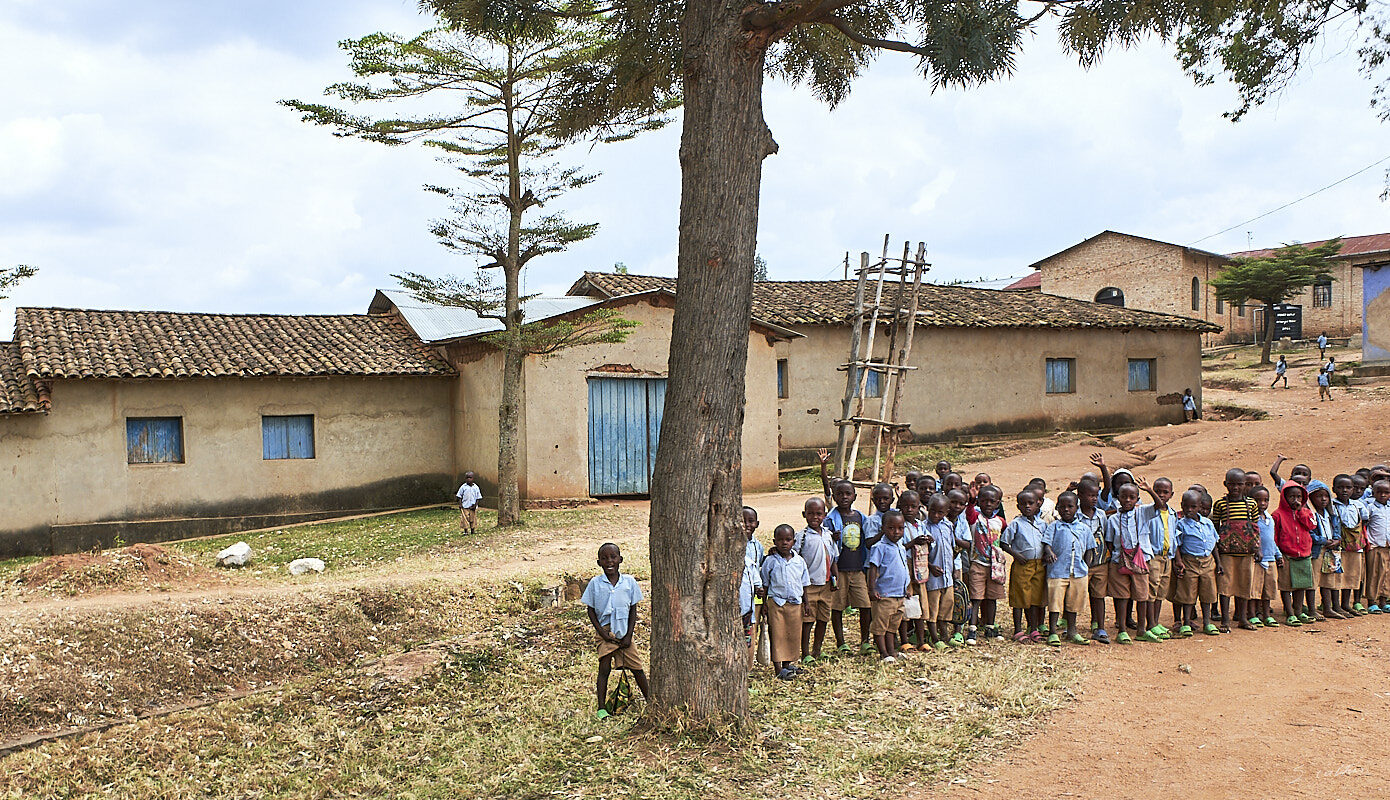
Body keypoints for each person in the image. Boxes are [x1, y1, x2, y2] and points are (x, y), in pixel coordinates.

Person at [582, 543, 650, 717]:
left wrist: (629, 635)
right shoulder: (595, 584)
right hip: (605, 632)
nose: (609, 561)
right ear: (599, 562)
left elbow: (633, 609)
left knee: (637, 668)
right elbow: (590, 610)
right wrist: (602, 633)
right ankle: (601, 708)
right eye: (604, 558)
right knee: (604, 668)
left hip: (624, 631)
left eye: (613, 557)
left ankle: (651, 702)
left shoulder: (629, 582)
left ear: (620, 559)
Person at [823, 477, 875, 656]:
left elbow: (867, 541)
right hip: (840, 570)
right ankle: (841, 642)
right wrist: (833, 538)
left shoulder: (861, 517)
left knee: (865, 605)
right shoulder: (830, 519)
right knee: (837, 607)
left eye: (848, 493)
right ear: (835, 496)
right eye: (840, 494)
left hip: (858, 569)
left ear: (855, 496)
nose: (844, 497)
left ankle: (865, 640)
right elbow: (824, 541)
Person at [1211, 468, 1262, 632]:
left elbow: (1255, 527)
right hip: (1226, 553)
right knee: (1225, 586)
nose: (1235, 488)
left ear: (1244, 485)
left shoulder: (1251, 504)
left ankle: (1242, 618)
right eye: (1231, 484)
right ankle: (1225, 620)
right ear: (1225, 484)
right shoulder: (1220, 504)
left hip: (1246, 552)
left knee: (1244, 584)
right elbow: (1214, 528)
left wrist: (1258, 549)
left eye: (1239, 484)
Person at [1042, 491, 1094, 645]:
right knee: (1055, 602)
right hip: (1058, 571)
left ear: (1076, 508)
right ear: (1057, 508)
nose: (1066, 509)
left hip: (1078, 572)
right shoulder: (1054, 526)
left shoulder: (1084, 528)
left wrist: (1086, 565)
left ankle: (1072, 631)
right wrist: (1049, 552)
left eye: (1070, 506)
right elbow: (1046, 544)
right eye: (1062, 507)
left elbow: (1090, 548)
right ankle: (1052, 632)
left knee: (1073, 603)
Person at [760, 525, 811, 680]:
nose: (784, 543)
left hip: (795, 604)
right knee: (777, 635)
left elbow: (804, 583)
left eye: (788, 540)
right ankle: (778, 668)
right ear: (774, 541)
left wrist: (806, 603)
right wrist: (764, 604)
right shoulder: (770, 561)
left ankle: (788, 664)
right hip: (776, 603)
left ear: (793, 541)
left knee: (792, 634)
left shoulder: (799, 561)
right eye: (780, 540)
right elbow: (765, 584)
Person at [1106, 483, 1153, 643]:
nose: (1127, 500)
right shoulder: (1112, 519)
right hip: (1118, 562)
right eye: (1123, 497)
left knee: (1141, 596)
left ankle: (1141, 629)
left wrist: (1150, 490)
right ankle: (1122, 630)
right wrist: (1119, 555)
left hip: (1140, 561)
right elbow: (1109, 542)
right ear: (1117, 498)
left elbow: (1160, 506)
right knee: (1122, 596)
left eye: (1132, 497)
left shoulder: (1142, 513)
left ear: (1137, 499)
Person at [794, 497, 837, 662]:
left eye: (819, 514)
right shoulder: (801, 536)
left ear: (825, 515)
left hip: (826, 585)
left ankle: (817, 650)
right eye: (810, 514)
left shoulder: (828, 535)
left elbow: (833, 558)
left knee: (823, 618)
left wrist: (835, 578)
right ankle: (805, 653)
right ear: (804, 514)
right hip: (809, 586)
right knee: (807, 620)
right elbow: (795, 559)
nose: (815, 517)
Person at [1173, 489, 1222, 636]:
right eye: (1186, 506)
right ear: (1181, 505)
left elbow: (1214, 544)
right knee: (1188, 593)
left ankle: (1207, 622)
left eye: (1193, 507)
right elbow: (1177, 545)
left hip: (1208, 562)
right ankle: (1186, 622)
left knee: (1208, 593)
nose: (1189, 510)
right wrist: (1179, 562)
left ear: (1200, 506)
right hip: (1190, 562)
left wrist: (1218, 563)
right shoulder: (1181, 524)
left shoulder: (1208, 523)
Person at [1001, 489, 1047, 642]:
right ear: (1018, 506)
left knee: (1035, 598)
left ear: (1038, 504)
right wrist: (1016, 555)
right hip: (1022, 564)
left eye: (1031, 503)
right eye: (1023, 504)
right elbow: (1004, 542)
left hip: (1039, 565)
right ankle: (1018, 629)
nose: (1027, 506)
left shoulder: (1043, 524)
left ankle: (1033, 628)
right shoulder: (1016, 524)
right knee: (1019, 597)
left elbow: (1046, 542)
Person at [866, 510, 912, 663]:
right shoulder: (879, 547)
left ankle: (892, 651)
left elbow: (903, 568)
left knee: (892, 626)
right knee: (880, 626)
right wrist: (871, 590)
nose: (896, 532)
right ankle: (884, 653)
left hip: (899, 595)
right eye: (891, 528)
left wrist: (907, 588)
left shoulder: (901, 546)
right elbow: (873, 569)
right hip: (884, 595)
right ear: (883, 528)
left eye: (900, 528)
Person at [965, 485, 1008, 642]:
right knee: (976, 597)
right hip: (978, 563)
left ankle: (990, 627)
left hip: (995, 566)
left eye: (992, 501)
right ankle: (972, 629)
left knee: (992, 597)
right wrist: (971, 501)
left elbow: (1004, 538)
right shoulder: (976, 518)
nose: (988, 504)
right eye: (984, 501)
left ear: (997, 503)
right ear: (979, 502)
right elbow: (969, 515)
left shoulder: (1000, 522)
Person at [1136, 477, 1177, 640]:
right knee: (1151, 591)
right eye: (1157, 491)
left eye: (1165, 492)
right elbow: (1157, 504)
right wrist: (1149, 492)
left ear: (1171, 494)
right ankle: (1150, 624)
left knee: (1161, 591)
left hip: (1167, 557)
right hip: (1153, 557)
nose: (1161, 495)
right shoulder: (1148, 511)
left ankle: (1156, 621)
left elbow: (1174, 535)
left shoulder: (1172, 513)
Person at [918, 494, 958, 651]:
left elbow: (952, 548)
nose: (935, 515)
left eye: (940, 512)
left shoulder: (948, 525)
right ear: (927, 508)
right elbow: (919, 554)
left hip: (947, 576)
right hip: (932, 576)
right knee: (932, 608)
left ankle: (945, 635)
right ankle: (934, 638)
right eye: (932, 511)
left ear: (946, 512)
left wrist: (953, 570)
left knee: (946, 607)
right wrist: (930, 566)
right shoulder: (923, 527)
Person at [1273, 481, 1315, 626]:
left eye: (1299, 497)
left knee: (1301, 585)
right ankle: (1289, 613)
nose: (1295, 500)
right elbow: (1275, 536)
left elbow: (1311, 525)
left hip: (1304, 554)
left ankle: (1298, 611)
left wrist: (1301, 511)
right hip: (1286, 555)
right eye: (1291, 496)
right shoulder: (1277, 515)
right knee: (1286, 585)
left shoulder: (1306, 513)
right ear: (1284, 497)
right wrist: (1277, 554)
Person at [1076, 478, 1112, 643]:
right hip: (1080, 563)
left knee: (1099, 595)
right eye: (1090, 495)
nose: (1094, 499)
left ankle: (1099, 626)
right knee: (1077, 594)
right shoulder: (1075, 515)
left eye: (1096, 495)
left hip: (1100, 563)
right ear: (1080, 495)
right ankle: (1071, 626)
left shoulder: (1101, 515)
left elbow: (1104, 535)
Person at [1332, 475, 1369, 616]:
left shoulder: (1357, 505)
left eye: (1348, 487)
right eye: (1340, 487)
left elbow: (1364, 520)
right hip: (1338, 547)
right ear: (1334, 489)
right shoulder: (1332, 505)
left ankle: (1345, 604)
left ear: (1353, 489)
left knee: (1350, 576)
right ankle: (1335, 605)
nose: (1344, 490)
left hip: (1355, 547)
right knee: (1336, 577)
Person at [1308, 480, 1343, 619]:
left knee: (1328, 580)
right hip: (1317, 551)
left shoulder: (1331, 514)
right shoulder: (1311, 514)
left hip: (1330, 551)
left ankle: (1327, 608)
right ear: (1310, 498)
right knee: (1313, 580)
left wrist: (1337, 539)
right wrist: (1323, 541)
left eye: (1326, 496)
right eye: (1318, 496)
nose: (1323, 499)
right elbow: (1310, 533)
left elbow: (1337, 528)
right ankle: (1311, 610)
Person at [1251, 486, 1283, 627]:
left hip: (1270, 559)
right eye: (1258, 500)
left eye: (1266, 500)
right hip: (1257, 560)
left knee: (1268, 589)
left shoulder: (1270, 519)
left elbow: (1272, 540)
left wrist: (1278, 555)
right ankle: (1252, 615)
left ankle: (1266, 615)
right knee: (1254, 590)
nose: (1262, 503)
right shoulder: (1251, 520)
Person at [1364, 480, 1390, 613]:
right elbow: (1365, 525)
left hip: (1388, 546)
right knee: (1374, 573)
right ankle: (1372, 601)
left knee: (1386, 574)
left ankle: (1384, 600)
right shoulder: (1370, 507)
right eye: (1379, 492)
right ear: (1373, 492)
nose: (1383, 495)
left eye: (1386, 492)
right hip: (1375, 546)